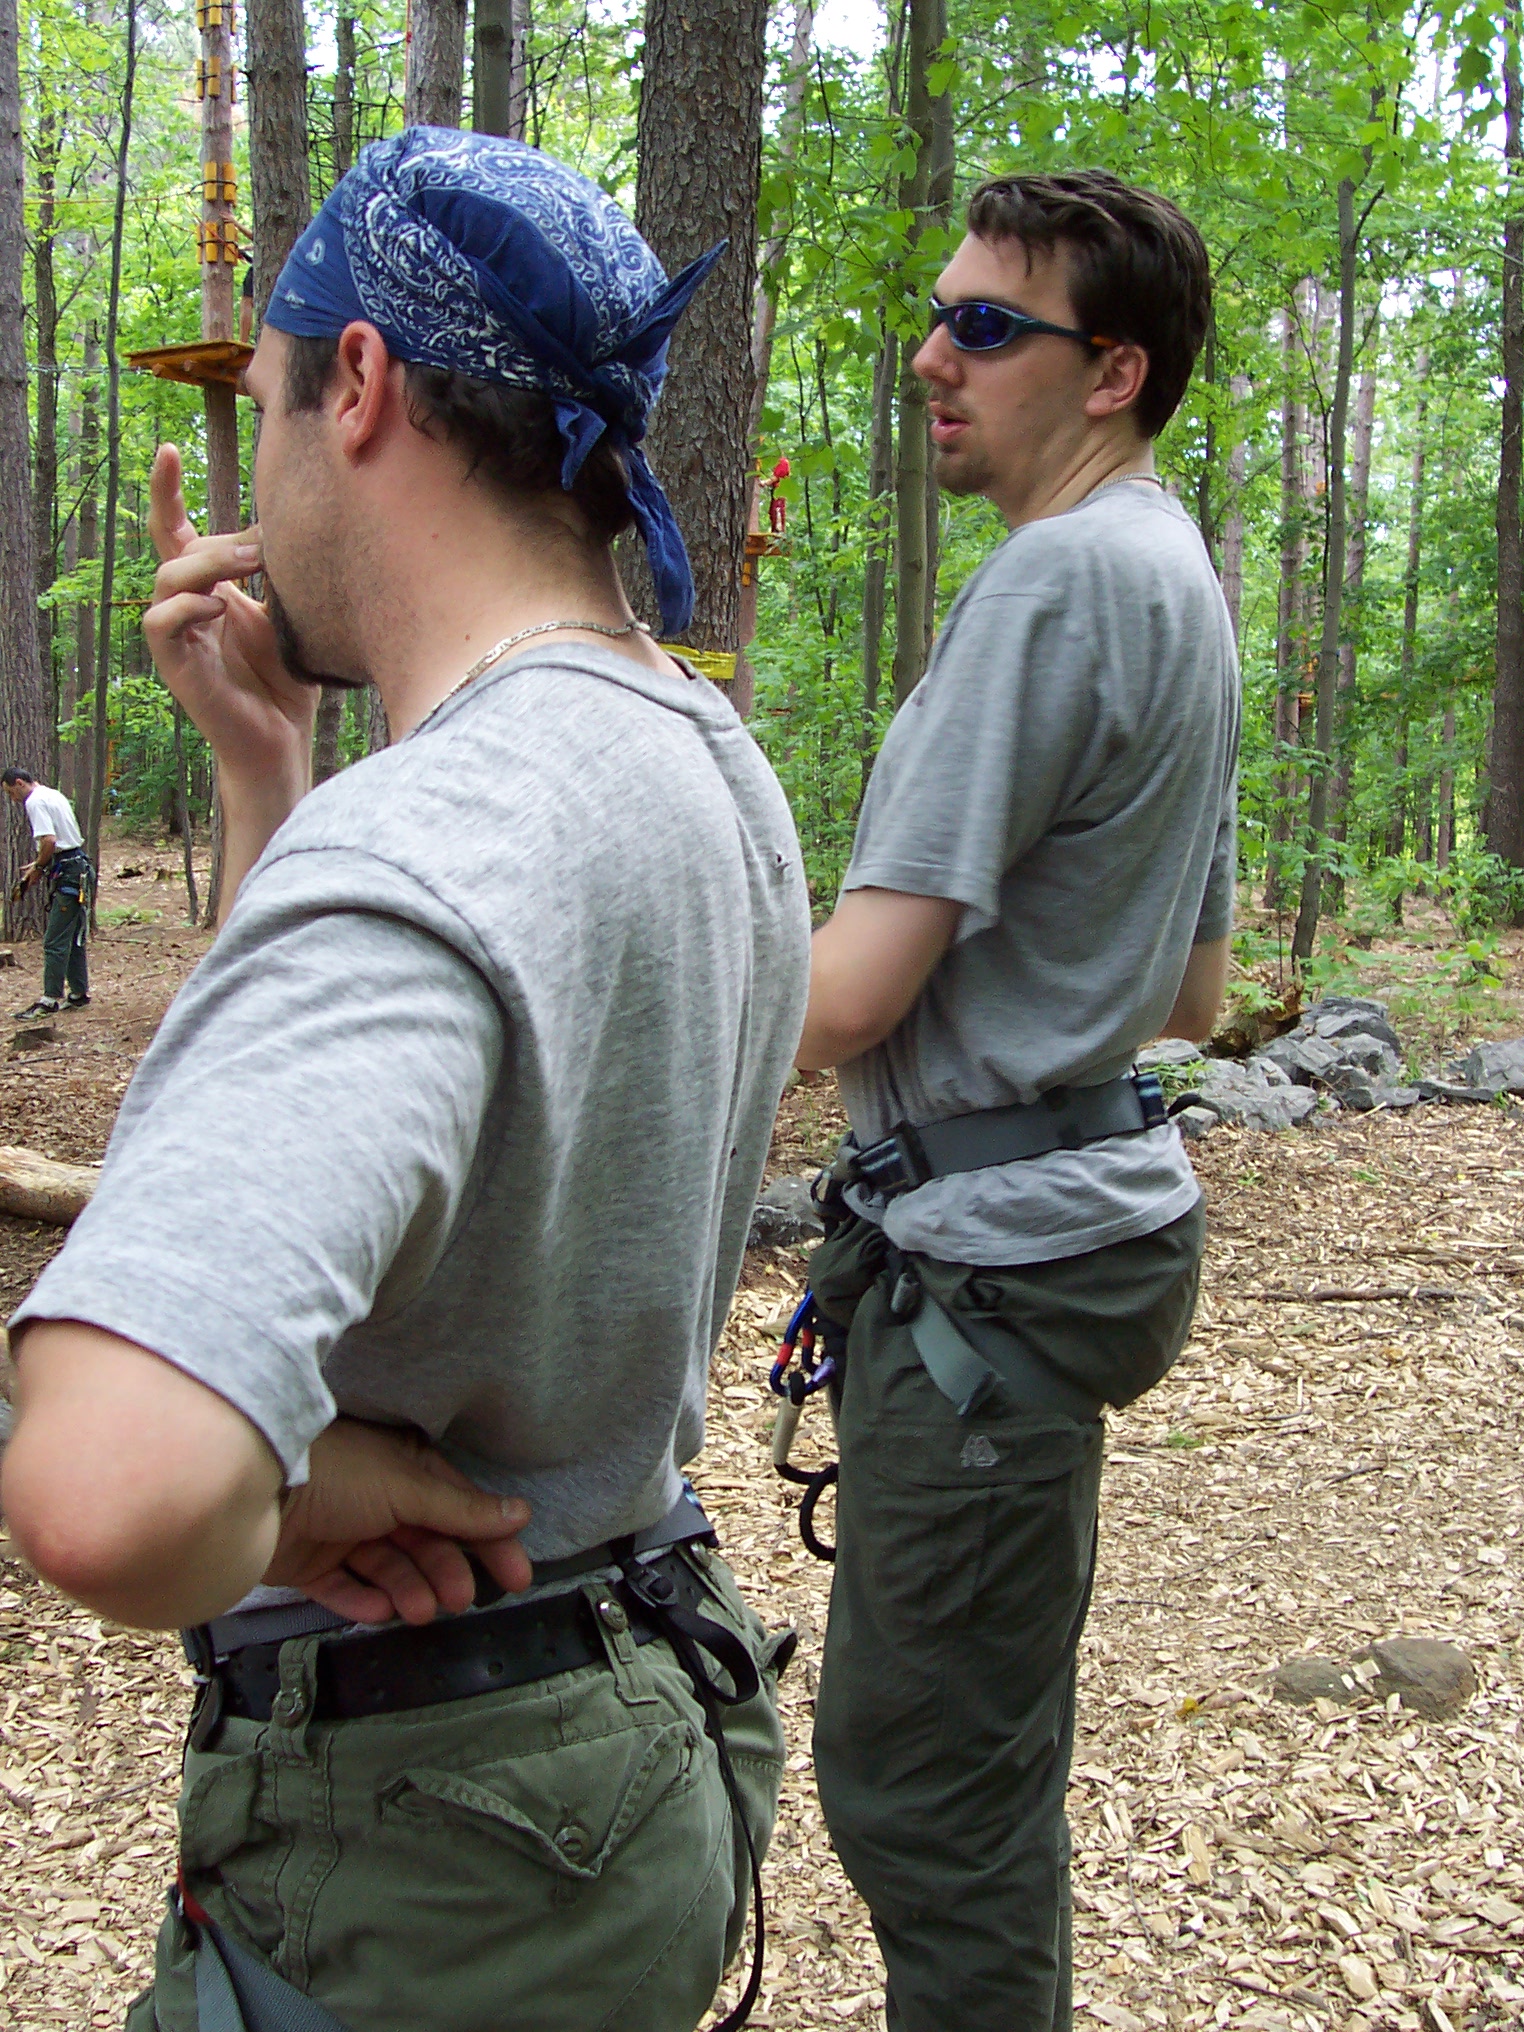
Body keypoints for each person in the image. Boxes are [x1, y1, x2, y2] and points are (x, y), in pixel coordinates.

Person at [3, 128, 809, 2032]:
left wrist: (283, 1485)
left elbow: (110, 1492)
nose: (253, 483)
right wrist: (267, 782)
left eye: (271, 402)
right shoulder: (697, 755)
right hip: (619, 1727)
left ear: (355, 381)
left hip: (425, 1838)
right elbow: (371, 1147)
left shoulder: (430, 839)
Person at [796, 170, 1239, 2032]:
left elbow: (841, 1001)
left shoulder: (1054, 580)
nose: (931, 357)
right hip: (1069, 1229)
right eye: (938, 316)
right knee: (968, 1773)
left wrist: (629, 962)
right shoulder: (1175, 572)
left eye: (984, 327)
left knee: (928, 1803)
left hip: (991, 1275)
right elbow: (1194, 995)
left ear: (1111, 370)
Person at [3, 767, 92, 1017]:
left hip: (69, 873)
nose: (13, 799)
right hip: (77, 866)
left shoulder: (34, 801)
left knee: (54, 940)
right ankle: (78, 993)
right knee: (73, 937)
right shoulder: (53, 794)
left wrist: (39, 867)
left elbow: (50, 841)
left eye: (11, 793)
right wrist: (40, 864)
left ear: (19, 783)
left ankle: (50, 999)